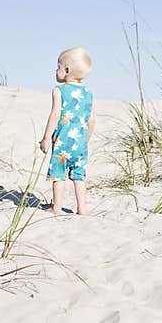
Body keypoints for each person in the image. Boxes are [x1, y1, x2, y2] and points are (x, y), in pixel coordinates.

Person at [39, 47, 95, 215]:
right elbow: (91, 120)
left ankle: (56, 208)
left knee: (59, 175)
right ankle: (82, 208)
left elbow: (55, 114)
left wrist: (46, 138)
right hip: (81, 143)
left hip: (63, 141)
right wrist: (86, 139)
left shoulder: (59, 90)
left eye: (58, 66)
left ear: (67, 70)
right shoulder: (88, 93)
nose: (56, 70)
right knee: (79, 176)